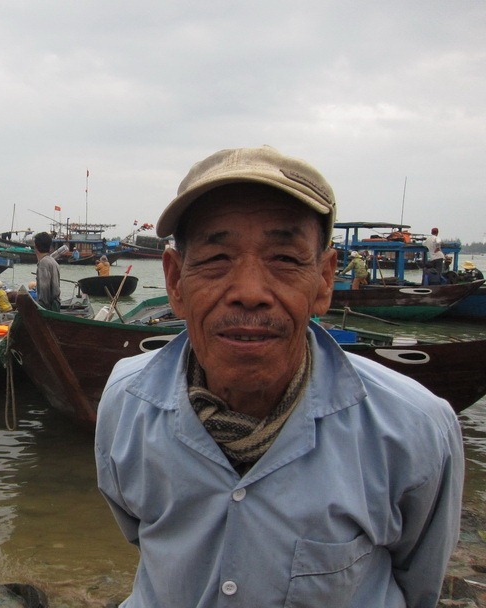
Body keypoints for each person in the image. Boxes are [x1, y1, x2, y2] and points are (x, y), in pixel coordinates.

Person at [95, 146, 464, 607]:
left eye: (285, 259)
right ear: (175, 281)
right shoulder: (127, 402)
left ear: (324, 280)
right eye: (217, 257)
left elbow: (420, 586)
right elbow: (143, 535)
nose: (250, 292)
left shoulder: (414, 428)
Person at [34, 232, 61, 312]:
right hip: (56, 305)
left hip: (49, 308)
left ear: (36, 247)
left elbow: (44, 291)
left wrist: (41, 309)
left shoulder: (43, 263)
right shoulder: (53, 261)